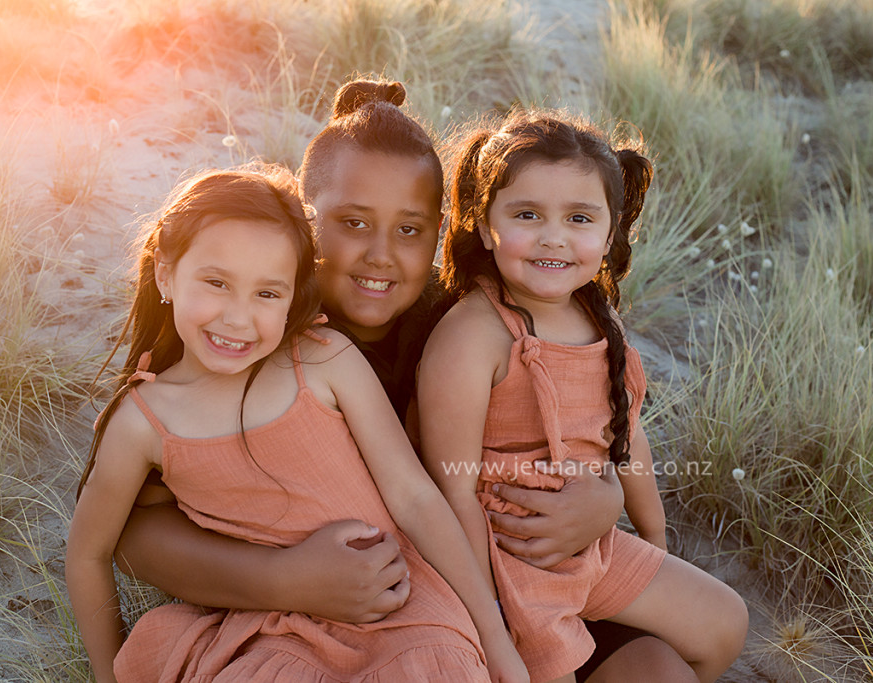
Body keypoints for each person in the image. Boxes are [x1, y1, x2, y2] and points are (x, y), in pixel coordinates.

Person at [113, 79, 694, 680]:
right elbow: (129, 535)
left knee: (663, 668)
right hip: (313, 620)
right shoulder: (242, 339)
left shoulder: (460, 328)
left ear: (443, 228)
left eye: (410, 229)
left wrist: (603, 495)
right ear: (303, 224)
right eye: (353, 223)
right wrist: (284, 579)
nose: (381, 255)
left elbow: (572, 424)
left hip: (502, 589)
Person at [66, 166, 528, 682]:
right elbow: (90, 551)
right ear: (165, 274)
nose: (238, 319)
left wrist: (495, 638)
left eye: (267, 293)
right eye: (216, 283)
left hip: (408, 616)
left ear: (293, 295)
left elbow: (415, 498)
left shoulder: (324, 359)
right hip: (275, 638)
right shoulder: (143, 423)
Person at [418, 110, 749, 683]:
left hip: (591, 543)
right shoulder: (473, 335)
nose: (554, 236)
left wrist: (653, 538)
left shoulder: (598, 320)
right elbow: (452, 487)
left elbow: (625, 435)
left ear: (611, 231)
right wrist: (490, 618)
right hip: (511, 559)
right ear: (484, 221)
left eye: (579, 218)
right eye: (527, 214)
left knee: (725, 622)